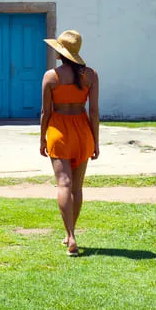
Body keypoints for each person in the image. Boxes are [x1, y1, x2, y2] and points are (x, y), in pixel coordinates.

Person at [40, 30, 99, 256]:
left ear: (60, 52)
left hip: (59, 130)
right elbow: (93, 111)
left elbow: (46, 111)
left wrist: (42, 138)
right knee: (77, 186)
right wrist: (96, 141)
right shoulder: (91, 75)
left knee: (63, 184)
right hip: (82, 131)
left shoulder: (51, 76)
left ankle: (71, 235)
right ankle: (69, 234)